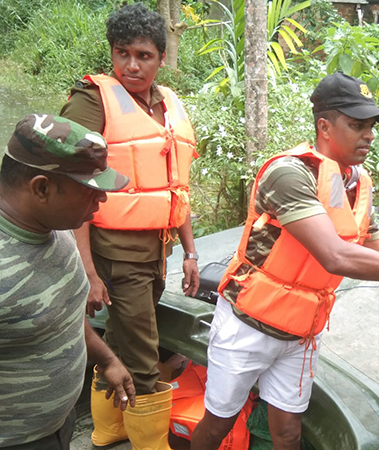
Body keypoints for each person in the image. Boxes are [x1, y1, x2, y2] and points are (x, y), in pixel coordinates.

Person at [189, 72, 379, 450]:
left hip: (301, 332)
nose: (369, 135)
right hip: (248, 326)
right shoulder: (289, 174)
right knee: (218, 424)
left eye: (372, 127)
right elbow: (335, 255)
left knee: (288, 433)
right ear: (324, 126)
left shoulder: (357, 184)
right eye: (357, 125)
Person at [59, 3, 200, 447]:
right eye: (123, 54)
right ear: (112, 52)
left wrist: (191, 251)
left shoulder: (168, 105)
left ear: (161, 58)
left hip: (157, 251)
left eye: (143, 55)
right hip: (115, 253)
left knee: (121, 340)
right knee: (142, 357)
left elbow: (176, 186)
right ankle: (150, 443)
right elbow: (71, 186)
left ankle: (107, 431)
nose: (132, 65)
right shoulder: (92, 100)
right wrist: (88, 270)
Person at [0, 114, 135, 449]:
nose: (101, 200)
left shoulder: (54, 226)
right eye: (90, 190)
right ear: (42, 188)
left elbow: (62, 313)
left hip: (58, 427)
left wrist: (106, 359)